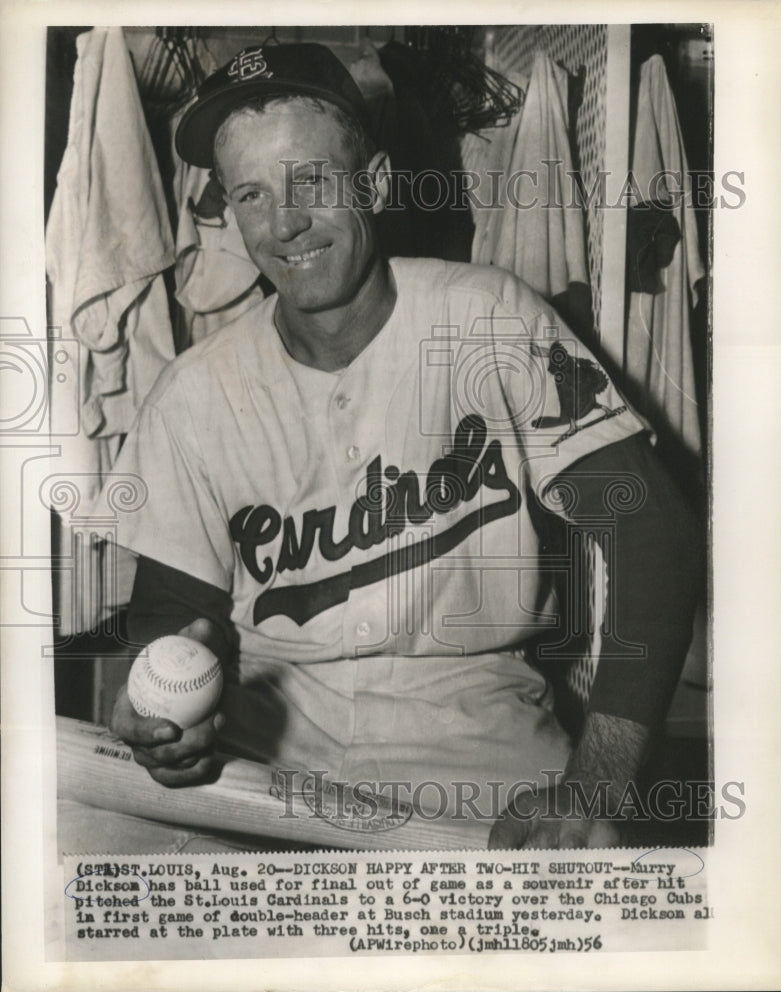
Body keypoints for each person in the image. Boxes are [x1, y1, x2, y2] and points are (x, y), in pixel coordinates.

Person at [108, 42, 701, 850]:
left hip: (478, 751)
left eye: (309, 181)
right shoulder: (191, 392)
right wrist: (157, 709)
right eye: (250, 194)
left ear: (376, 184)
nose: (282, 225)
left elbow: (648, 526)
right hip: (263, 760)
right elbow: (169, 618)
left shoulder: (489, 317)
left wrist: (598, 782)